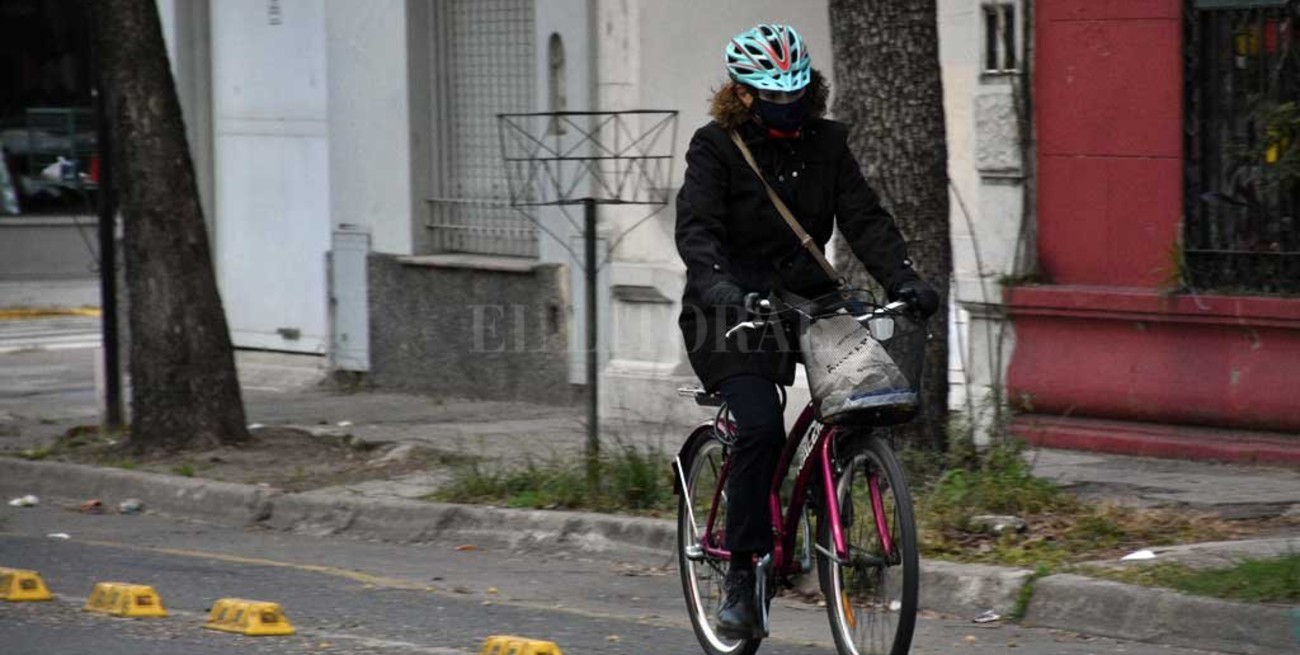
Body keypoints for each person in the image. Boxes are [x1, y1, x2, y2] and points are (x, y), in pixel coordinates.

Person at [675, 23, 940, 639]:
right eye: (774, 98)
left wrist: (903, 279)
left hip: (810, 302)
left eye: (796, 95)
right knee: (761, 427)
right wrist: (719, 286)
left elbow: (864, 218)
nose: (788, 109)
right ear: (744, 95)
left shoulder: (828, 143)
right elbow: (697, 232)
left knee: (868, 399)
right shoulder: (714, 148)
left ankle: (839, 495)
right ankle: (742, 574)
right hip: (731, 310)